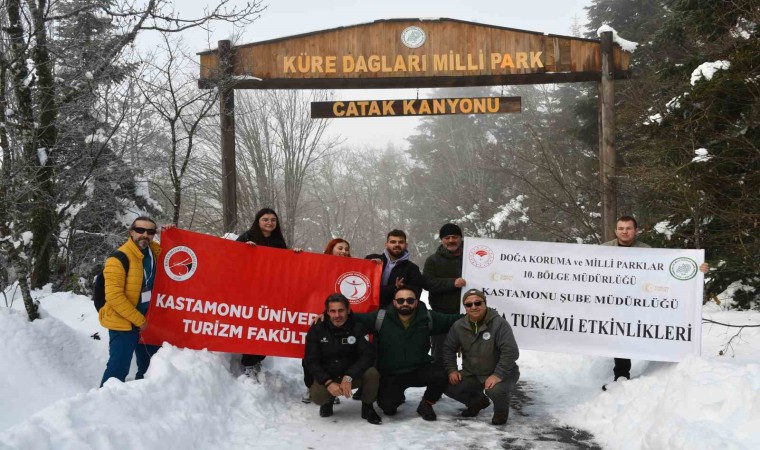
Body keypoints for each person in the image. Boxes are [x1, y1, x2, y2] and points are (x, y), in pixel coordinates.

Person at [601, 215, 708, 390]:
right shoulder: (603, 250)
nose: (625, 232)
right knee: (618, 336)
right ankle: (621, 375)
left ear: (636, 231)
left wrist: (697, 267)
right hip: (612, 301)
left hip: (639, 301)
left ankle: (662, 370)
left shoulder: (647, 250)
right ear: (615, 231)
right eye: (621, 228)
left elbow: (665, 270)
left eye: (628, 228)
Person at [354, 287, 461, 421]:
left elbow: (455, 320)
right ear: (394, 303)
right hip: (391, 373)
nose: (405, 303)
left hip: (418, 369)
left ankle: (426, 404)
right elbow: (352, 318)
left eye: (410, 300)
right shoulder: (380, 317)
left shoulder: (427, 317)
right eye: (401, 300)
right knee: (388, 408)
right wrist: (326, 316)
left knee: (440, 375)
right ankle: (396, 397)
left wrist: (481, 315)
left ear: (416, 302)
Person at [99, 216, 163, 387]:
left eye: (150, 232)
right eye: (140, 230)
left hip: (146, 322)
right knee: (117, 370)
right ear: (131, 232)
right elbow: (114, 297)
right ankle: (103, 405)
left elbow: (171, 250)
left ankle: (141, 401)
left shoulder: (152, 253)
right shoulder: (118, 258)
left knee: (150, 367)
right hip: (123, 323)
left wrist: (170, 231)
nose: (145, 235)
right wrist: (138, 320)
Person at [302, 293, 382, 425]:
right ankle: (328, 401)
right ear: (327, 312)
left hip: (352, 375)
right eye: (332, 311)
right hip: (329, 375)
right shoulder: (317, 327)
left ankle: (367, 407)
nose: (337, 315)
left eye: (341, 310)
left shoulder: (358, 326)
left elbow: (368, 355)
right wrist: (327, 382)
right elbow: (311, 360)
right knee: (318, 396)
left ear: (348, 310)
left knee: (372, 373)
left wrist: (349, 376)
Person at [443, 289, 520, 426]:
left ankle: (501, 412)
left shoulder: (499, 323)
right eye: (469, 304)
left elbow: (511, 351)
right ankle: (477, 402)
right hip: (472, 373)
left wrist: (497, 375)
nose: (473, 307)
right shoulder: (458, 326)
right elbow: (448, 348)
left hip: (502, 373)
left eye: (478, 303)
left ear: (485, 304)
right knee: (445, 383)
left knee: (495, 390)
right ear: (465, 307)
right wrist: (452, 370)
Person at [236, 207, 293, 379]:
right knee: (252, 327)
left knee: (267, 328)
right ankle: (248, 363)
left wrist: (296, 255)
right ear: (258, 221)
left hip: (270, 293)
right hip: (249, 291)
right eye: (265, 219)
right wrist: (244, 250)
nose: (269, 223)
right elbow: (230, 256)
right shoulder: (247, 237)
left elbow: (286, 264)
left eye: (273, 220)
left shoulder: (278, 241)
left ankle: (259, 358)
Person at [302, 238, 353, 403]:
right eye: (340, 248)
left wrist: (374, 265)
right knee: (311, 355)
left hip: (341, 319)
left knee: (339, 354)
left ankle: (336, 388)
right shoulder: (320, 265)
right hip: (319, 317)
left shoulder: (353, 268)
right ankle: (313, 387)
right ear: (331, 249)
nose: (344, 251)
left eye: (346, 249)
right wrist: (296, 256)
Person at [367, 229, 452, 309]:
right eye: (393, 242)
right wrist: (369, 267)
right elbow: (358, 279)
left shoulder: (412, 269)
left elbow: (416, 294)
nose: (397, 244)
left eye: (400, 242)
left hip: (394, 313)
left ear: (406, 245)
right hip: (368, 309)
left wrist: (401, 288)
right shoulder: (371, 259)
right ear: (386, 244)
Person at [423, 223, 467, 367]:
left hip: (470, 315)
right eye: (447, 237)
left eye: (454, 237)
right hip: (441, 316)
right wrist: (452, 283)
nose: (451, 240)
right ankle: (437, 386)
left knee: (474, 357)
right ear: (442, 240)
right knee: (440, 359)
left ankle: (469, 387)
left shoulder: (472, 258)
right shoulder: (432, 260)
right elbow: (428, 283)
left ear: (460, 238)